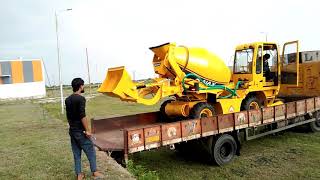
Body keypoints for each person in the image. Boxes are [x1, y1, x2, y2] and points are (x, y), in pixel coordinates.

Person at [65, 78, 104, 180]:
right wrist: (87, 130)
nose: (84, 87)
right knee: (91, 151)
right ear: (80, 86)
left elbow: (68, 116)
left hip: (72, 131)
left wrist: (72, 127)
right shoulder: (81, 99)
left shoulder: (67, 99)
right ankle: (95, 172)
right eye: (83, 85)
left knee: (76, 153)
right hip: (80, 132)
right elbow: (82, 116)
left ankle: (79, 174)